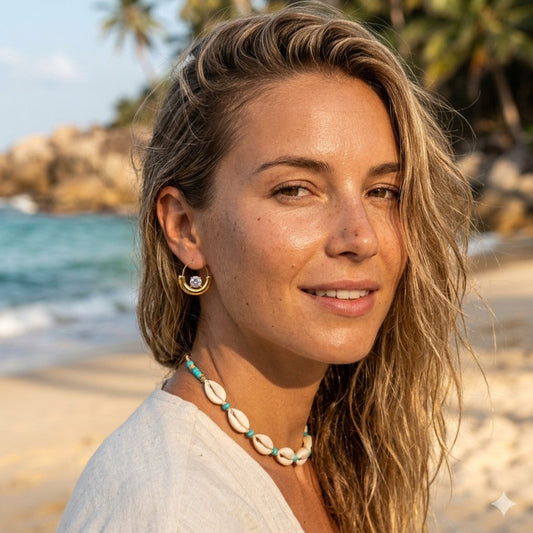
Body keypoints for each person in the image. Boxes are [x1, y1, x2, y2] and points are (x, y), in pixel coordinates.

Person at [59, 4, 472, 532]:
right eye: (296, 190)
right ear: (185, 228)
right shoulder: (168, 511)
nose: (361, 237)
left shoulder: (326, 452)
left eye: (383, 191)